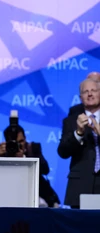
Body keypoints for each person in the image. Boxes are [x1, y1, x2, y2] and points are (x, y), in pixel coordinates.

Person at [58, 78, 100, 208]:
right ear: (80, 97)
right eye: (85, 91)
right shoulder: (70, 121)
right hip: (80, 186)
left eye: (94, 90)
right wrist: (78, 133)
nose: (90, 94)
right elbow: (63, 152)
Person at [0, 125, 60, 207]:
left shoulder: (32, 148)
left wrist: (24, 158)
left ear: (25, 138)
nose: (19, 145)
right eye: (15, 143)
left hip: (38, 195)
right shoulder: (1, 153)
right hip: (10, 196)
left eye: (21, 141)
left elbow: (45, 169)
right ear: (7, 142)